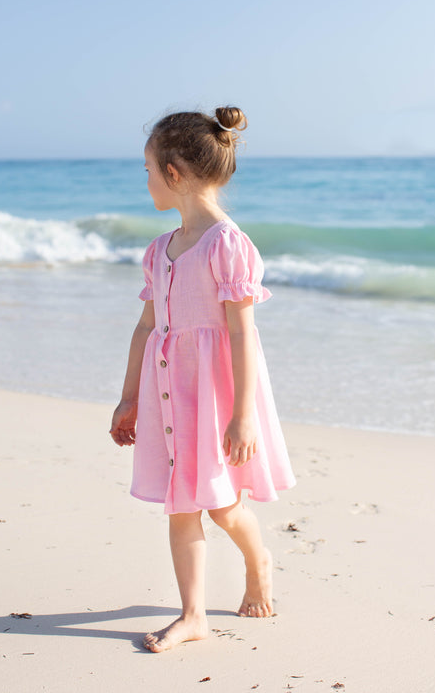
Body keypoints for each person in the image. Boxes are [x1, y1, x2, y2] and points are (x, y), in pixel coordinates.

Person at [109, 106, 295, 653]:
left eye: (146, 169)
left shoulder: (227, 246)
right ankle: (192, 615)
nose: (144, 180)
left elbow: (241, 336)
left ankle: (257, 559)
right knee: (181, 503)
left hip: (213, 399)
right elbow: (146, 328)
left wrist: (242, 416)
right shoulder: (159, 251)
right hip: (167, 394)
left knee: (220, 504)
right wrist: (128, 399)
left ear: (173, 173)